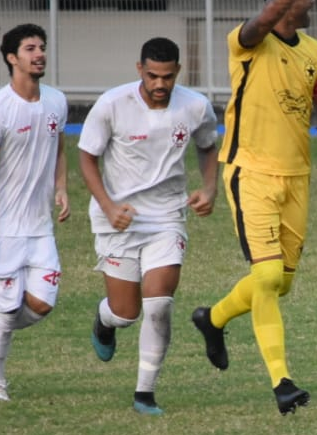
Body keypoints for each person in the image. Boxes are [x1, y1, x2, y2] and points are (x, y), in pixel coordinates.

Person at [189, 0, 317, 416]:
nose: (313, 1)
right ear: (284, 1)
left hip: (297, 178)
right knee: (267, 274)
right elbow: (269, 12)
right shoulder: (248, 41)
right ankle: (282, 381)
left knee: (280, 283)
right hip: (249, 172)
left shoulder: (316, 53)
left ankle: (213, 319)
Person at [80, 37, 219, 416]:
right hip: (118, 221)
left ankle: (145, 393)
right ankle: (105, 319)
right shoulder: (112, 104)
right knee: (127, 313)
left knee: (159, 305)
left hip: (167, 217)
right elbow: (87, 158)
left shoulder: (195, 106)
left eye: (168, 77)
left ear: (178, 72)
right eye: (153, 76)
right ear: (139, 69)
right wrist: (108, 207)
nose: (160, 84)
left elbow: (208, 145)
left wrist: (210, 187)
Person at [0, 23, 69, 402]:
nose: (39, 53)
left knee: (41, 304)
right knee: (5, 310)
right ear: (12, 58)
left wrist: (61, 187)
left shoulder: (57, 101)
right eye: (30, 48)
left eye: (41, 46)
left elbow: (59, 147)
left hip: (39, 226)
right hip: (4, 229)